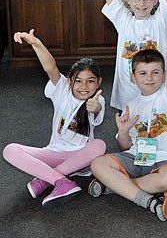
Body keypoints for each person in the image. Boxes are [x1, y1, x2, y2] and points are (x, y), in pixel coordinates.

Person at [3, 30, 106, 207]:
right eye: (78, 80)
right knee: (10, 150)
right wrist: (36, 44)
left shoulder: (98, 99)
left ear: (99, 83)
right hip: (54, 152)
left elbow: (96, 109)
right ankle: (61, 181)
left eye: (90, 81)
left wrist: (94, 107)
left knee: (100, 146)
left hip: (80, 159)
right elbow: (50, 66)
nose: (84, 86)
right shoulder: (63, 90)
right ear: (70, 81)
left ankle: (46, 179)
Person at [89, 44, 167, 222]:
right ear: (133, 77)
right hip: (138, 157)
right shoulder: (130, 105)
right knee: (97, 164)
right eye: (142, 73)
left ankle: (117, 186)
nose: (149, 78)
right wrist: (123, 131)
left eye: (155, 72)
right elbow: (125, 146)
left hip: (166, 158)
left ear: (163, 75)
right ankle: (147, 200)